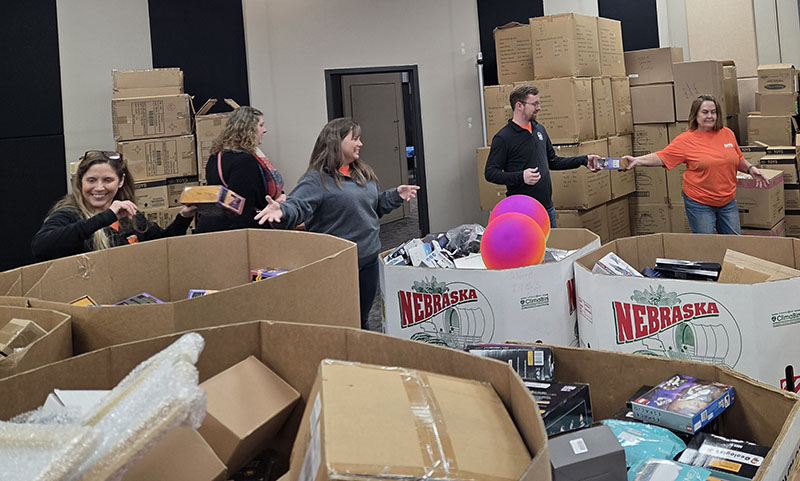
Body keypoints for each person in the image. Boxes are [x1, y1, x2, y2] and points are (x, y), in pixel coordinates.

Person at [254, 118, 420, 330]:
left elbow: (373, 208)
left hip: (368, 261)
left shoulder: (362, 173)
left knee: (362, 320)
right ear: (336, 142)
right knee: (340, 324)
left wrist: (395, 195)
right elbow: (298, 206)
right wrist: (283, 210)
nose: (360, 144)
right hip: (338, 265)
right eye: (355, 139)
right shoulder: (317, 179)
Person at [623, 95, 768, 234]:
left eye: (713, 112)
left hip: (727, 200)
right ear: (696, 115)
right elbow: (662, 156)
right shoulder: (686, 140)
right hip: (700, 202)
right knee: (705, 245)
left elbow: (737, 159)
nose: (710, 116)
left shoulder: (727, 134)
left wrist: (751, 169)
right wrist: (637, 160)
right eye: (705, 112)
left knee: (734, 243)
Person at [31, 150, 195, 261]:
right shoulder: (69, 214)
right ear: (80, 182)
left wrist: (184, 215)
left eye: (108, 180)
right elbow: (41, 246)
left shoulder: (129, 215)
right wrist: (107, 216)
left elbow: (162, 245)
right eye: (91, 180)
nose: (99, 188)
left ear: (121, 181)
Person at [484, 84, 601, 227]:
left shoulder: (539, 130)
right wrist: (521, 176)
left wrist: (583, 160)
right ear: (519, 105)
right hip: (523, 211)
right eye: (534, 104)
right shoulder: (504, 138)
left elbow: (553, 161)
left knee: (552, 249)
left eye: (539, 103)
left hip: (547, 209)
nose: (538, 107)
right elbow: (490, 173)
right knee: (530, 250)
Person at [195, 106, 285, 233]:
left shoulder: (216, 156)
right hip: (236, 233)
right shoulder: (244, 161)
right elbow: (245, 207)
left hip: (213, 227)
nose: (264, 130)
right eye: (261, 125)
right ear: (248, 129)